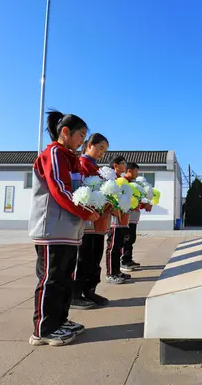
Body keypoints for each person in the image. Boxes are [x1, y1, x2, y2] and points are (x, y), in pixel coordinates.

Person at [28, 110, 100, 347]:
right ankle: (43, 329)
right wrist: (85, 212)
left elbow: (81, 190)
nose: (82, 141)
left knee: (66, 278)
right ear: (65, 132)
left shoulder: (70, 157)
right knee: (52, 278)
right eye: (81, 135)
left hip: (69, 231)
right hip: (52, 229)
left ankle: (60, 320)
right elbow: (60, 189)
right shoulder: (54, 153)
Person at [71, 133, 111, 310]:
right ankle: (76, 294)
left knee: (96, 257)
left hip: (99, 220)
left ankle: (90, 290)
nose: (102, 152)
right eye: (100, 148)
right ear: (89, 145)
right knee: (84, 258)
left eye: (105, 150)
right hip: (87, 220)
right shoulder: (81, 165)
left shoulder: (98, 169)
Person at [105, 155, 131, 284]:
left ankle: (117, 271)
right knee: (113, 247)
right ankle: (110, 273)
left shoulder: (121, 180)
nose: (125, 166)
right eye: (123, 163)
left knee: (119, 246)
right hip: (113, 221)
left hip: (122, 219)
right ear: (115, 165)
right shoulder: (110, 180)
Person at [121, 162, 142, 272]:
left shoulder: (133, 184)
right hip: (126, 216)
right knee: (127, 238)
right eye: (136, 171)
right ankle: (124, 261)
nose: (137, 174)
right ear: (129, 170)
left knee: (131, 237)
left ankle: (129, 259)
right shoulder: (123, 183)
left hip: (133, 216)